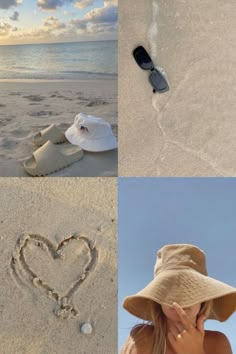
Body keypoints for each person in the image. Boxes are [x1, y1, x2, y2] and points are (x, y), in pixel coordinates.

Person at [122, 244, 236, 354]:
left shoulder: (218, 343)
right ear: (158, 299)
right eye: (170, 288)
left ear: (204, 299)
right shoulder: (143, 337)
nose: (180, 299)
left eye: (189, 288)